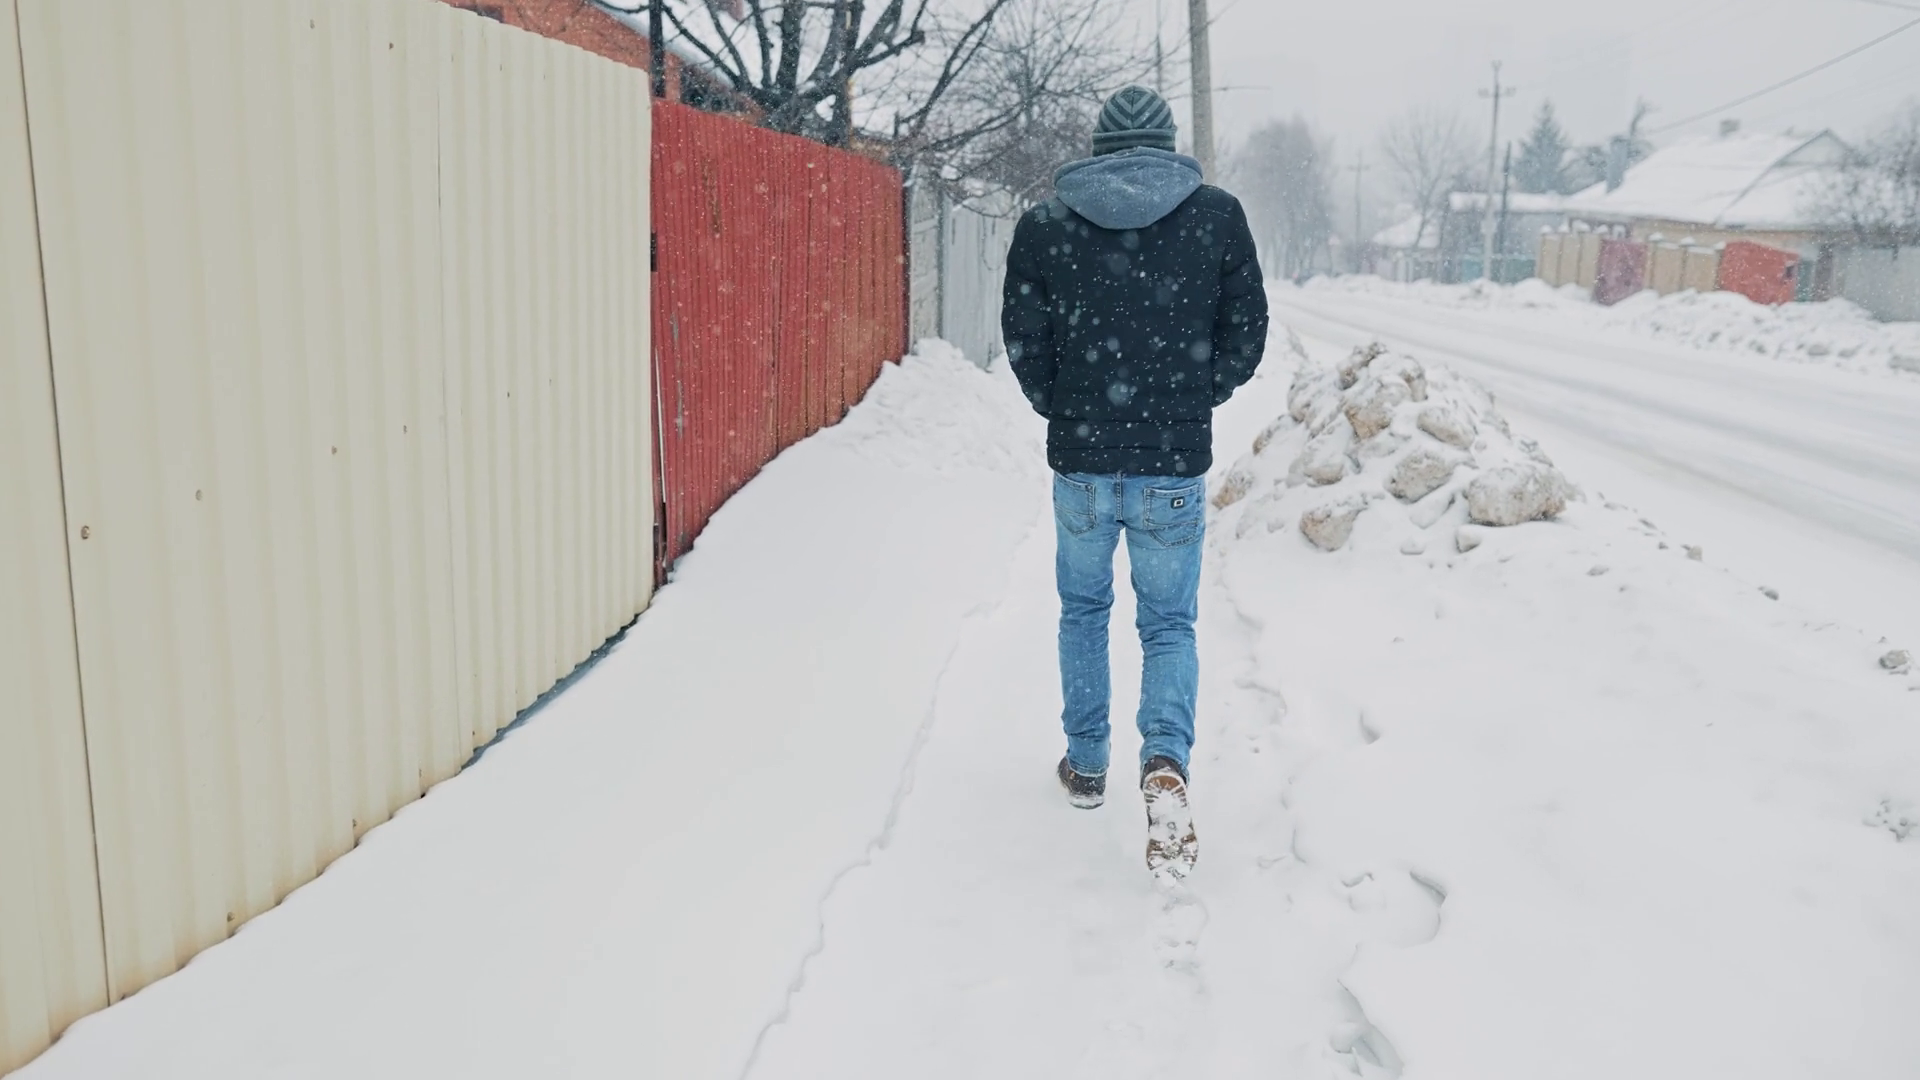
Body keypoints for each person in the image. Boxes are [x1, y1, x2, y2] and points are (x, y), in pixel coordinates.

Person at [1001, 85, 1268, 879]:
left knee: (1084, 611)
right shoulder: (1217, 216)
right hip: (1172, 467)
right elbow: (1246, 331)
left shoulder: (1047, 224)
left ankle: (1086, 764)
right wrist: (1194, 397)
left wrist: (1065, 404)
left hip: (1082, 463)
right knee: (1169, 624)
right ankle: (1165, 763)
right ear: (1167, 144)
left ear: (1100, 148)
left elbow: (1024, 336)